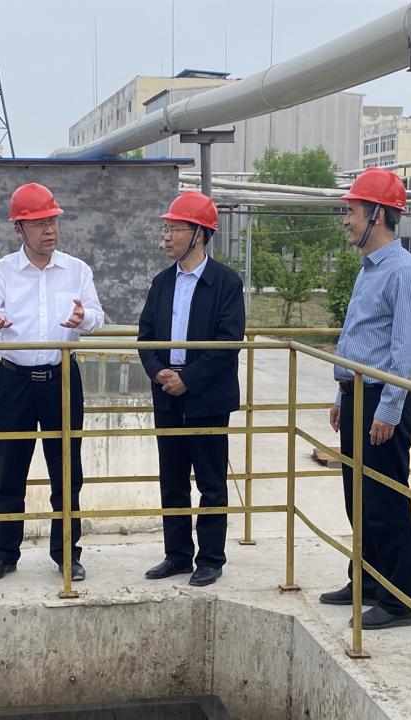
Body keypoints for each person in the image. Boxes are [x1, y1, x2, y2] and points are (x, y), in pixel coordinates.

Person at [0, 183, 104, 583]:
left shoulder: (77, 270)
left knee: (67, 472)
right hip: (13, 380)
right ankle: (5, 554)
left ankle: (67, 554)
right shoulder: (0, 271)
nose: (50, 230)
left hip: (61, 380)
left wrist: (83, 319)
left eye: (53, 222)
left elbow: (97, 317)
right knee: (10, 472)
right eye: (39, 223)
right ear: (19, 229)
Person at [321, 167, 411, 630]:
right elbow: (361, 339)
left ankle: (398, 599)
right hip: (358, 396)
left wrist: (387, 410)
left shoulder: (404, 273)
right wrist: (342, 393)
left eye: (352, 211)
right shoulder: (370, 270)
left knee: (385, 501)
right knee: (358, 497)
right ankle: (366, 580)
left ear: (378, 215)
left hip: (384, 401)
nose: (346, 220)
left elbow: (404, 350)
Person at [137, 191, 245, 587]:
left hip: (207, 396)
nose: (166, 236)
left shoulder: (226, 283)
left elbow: (228, 342)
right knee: (173, 479)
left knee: (211, 482)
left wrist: (190, 378)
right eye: (165, 229)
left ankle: (211, 559)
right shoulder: (162, 283)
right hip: (167, 393)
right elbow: (145, 337)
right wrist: (159, 373)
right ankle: (178, 555)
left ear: (198, 234)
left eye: (174, 229)